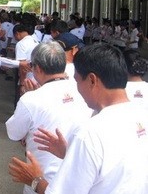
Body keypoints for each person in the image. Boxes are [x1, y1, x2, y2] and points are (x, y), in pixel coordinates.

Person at [8, 43, 148, 194]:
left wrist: (34, 179)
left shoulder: (90, 133)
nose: (77, 89)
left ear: (92, 80)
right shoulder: (142, 115)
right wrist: (68, 153)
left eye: (77, 81)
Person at [6, 42, 91, 194]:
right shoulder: (83, 91)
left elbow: (14, 133)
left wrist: (27, 96)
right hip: (78, 177)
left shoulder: (31, 99)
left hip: (40, 177)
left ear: (37, 68)